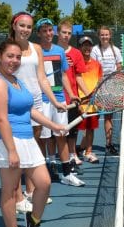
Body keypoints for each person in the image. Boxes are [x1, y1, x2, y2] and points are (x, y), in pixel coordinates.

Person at [0, 40, 66, 227]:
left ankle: (33, 221)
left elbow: (30, 110)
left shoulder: (15, 79)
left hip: (28, 139)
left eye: (18, 57)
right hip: (9, 140)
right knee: (10, 189)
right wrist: (11, 151)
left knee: (44, 183)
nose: (14, 60)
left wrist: (54, 126)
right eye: (10, 56)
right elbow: (1, 118)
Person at [9, 12, 66, 207]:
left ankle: (31, 191)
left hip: (36, 103)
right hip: (15, 104)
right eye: (22, 26)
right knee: (16, 151)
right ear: (14, 26)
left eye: (28, 27)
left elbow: (42, 78)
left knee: (32, 147)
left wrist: (55, 101)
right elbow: (3, 76)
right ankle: (17, 198)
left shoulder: (37, 49)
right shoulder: (8, 48)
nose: (25, 30)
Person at [36, 18, 84, 187]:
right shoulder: (36, 51)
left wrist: (71, 94)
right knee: (43, 138)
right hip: (42, 101)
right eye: (44, 31)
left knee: (61, 135)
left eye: (50, 30)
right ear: (39, 33)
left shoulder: (59, 51)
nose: (48, 34)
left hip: (60, 99)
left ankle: (67, 173)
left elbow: (63, 75)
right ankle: (42, 173)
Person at [57, 19, 89, 170]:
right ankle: (53, 159)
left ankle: (72, 154)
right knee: (55, 132)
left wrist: (87, 93)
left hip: (72, 98)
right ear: (58, 32)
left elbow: (78, 76)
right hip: (55, 98)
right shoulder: (50, 51)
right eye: (64, 32)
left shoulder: (76, 53)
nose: (66, 36)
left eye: (69, 33)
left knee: (72, 130)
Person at [91, 26, 123, 155]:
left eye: (106, 34)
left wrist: (115, 84)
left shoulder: (115, 50)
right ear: (99, 36)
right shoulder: (95, 50)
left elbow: (119, 67)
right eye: (102, 35)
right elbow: (93, 68)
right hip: (98, 87)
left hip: (111, 88)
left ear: (110, 36)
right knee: (94, 117)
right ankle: (86, 147)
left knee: (108, 117)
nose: (104, 37)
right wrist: (97, 85)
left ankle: (108, 144)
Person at [77, 36, 103, 163]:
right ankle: (74, 153)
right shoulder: (76, 64)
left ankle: (88, 152)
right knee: (75, 130)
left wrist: (97, 98)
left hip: (93, 103)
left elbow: (99, 82)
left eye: (89, 45)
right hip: (79, 102)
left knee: (90, 129)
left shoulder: (97, 65)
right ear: (80, 47)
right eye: (84, 45)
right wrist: (79, 100)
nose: (87, 48)